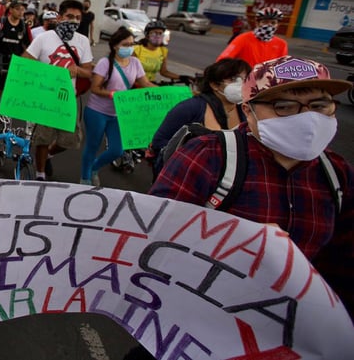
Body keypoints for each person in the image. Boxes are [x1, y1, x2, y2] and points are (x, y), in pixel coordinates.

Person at [150, 55, 354, 318]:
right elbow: (154, 234)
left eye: (319, 105)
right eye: (284, 106)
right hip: (199, 317)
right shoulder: (206, 156)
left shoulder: (338, 173)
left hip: (293, 328)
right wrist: (233, 239)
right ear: (248, 110)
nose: (308, 118)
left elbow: (344, 265)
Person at [24, 0, 94, 181]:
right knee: (43, 138)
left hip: (68, 97)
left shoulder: (83, 41)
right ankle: (40, 173)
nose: (74, 21)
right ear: (60, 17)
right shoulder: (44, 38)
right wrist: (43, 74)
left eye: (78, 18)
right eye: (70, 16)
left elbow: (88, 72)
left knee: (70, 140)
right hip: (45, 95)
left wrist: (77, 70)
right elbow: (25, 61)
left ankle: (49, 155)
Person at [149, 58, 251, 177]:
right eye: (234, 79)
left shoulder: (246, 110)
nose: (241, 84)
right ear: (214, 85)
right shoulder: (190, 108)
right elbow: (159, 142)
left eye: (245, 79)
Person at [81, 27, 155, 185]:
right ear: (115, 46)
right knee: (92, 146)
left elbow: (145, 83)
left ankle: (94, 168)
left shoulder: (135, 63)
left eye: (131, 44)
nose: (129, 47)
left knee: (117, 150)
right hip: (97, 111)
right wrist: (110, 94)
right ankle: (85, 177)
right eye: (125, 44)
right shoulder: (104, 63)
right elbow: (95, 88)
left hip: (119, 114)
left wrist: (167, 93)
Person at [218, 6, 288, 67]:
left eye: (273, 23)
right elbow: (224, 59)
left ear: (277, 25)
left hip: (266, 80)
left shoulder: (281, 44)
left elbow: (281, 67)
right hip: (243, 78)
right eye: (265, 22)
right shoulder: (243, 38)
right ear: (257, 23)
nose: (269, 25)